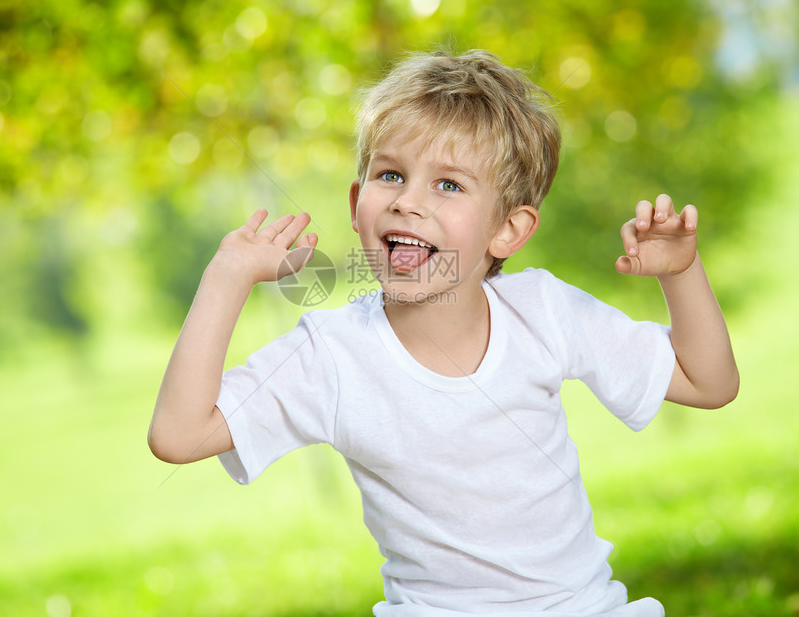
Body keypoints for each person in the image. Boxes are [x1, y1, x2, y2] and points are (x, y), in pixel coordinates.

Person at [148, 49, 739, 616]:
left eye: (449, 184)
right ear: (357, 204)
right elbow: (179, 436)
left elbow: (708, 382)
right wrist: (227, 277)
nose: (408, 202)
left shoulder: (543, 311)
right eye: (390, 174)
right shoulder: (331, 356)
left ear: (507, 230)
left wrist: (681, 273)